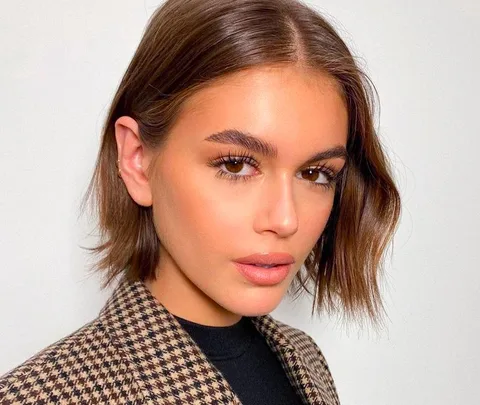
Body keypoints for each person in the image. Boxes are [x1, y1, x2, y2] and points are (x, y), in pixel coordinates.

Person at [0, 0, 401, 403]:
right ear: (137, 161)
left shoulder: (303, 359)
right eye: (236, 164)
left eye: (316, 173)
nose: (285, 219)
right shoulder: (40, 396)